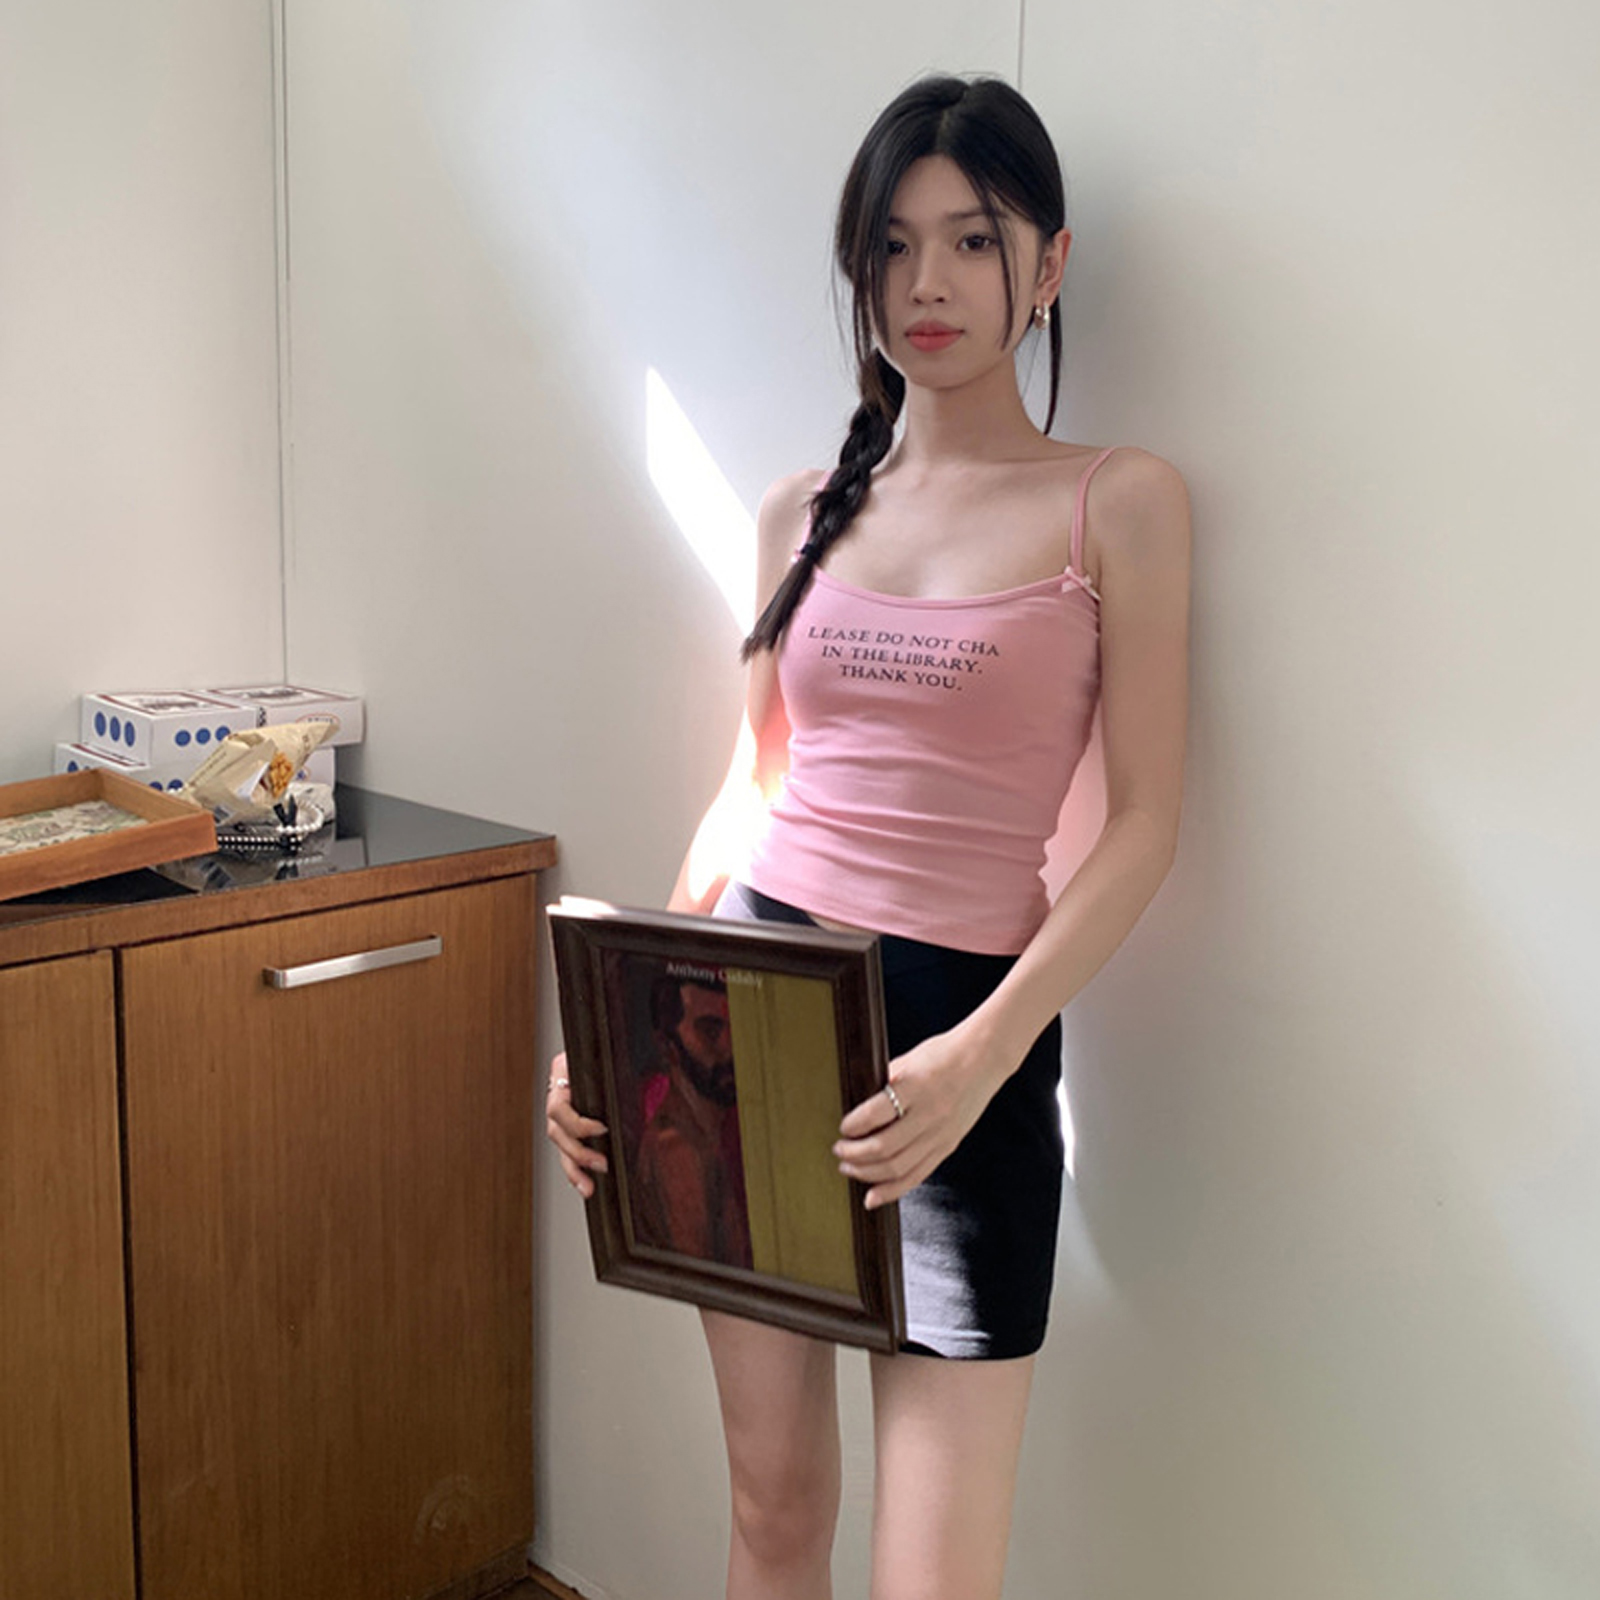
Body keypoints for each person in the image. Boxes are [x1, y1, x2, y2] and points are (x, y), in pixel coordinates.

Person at [548, 72, 1190, 1600]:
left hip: (964, 1043)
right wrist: (623, 1020)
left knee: (933, 1576)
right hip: (751, 1012)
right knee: (774, 1513)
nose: (927, 284)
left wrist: (982, 1055)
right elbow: (751, 784)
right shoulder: (802, 511)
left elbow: (1147, 826)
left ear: (1049, 263)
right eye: (893, 246)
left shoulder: (1121, 503)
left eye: (972, 240)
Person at [632, 969, 753, 1268]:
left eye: (735, 1028)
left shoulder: (712, 1133)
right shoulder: (676, 1148)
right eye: (710, 1031)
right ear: (668, 1046)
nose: (730, 1047)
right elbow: (703, 1278)